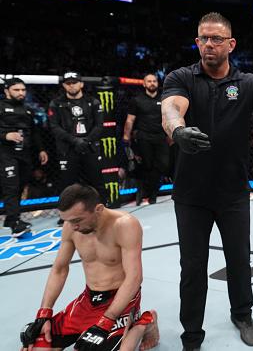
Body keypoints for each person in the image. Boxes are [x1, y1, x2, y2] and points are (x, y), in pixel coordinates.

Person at [161, 12, 253, 350]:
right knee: (192, 265)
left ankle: (242, 314)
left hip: (232, 191)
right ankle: (192, 332)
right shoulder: (181, 77)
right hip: (190, 193)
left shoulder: (247, 83)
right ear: (197, 41)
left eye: (216, 38)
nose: (209, 44)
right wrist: (178, 129)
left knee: (238, 258)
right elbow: (172, 107)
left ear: (231, 44)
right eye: (203, 38)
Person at [19, 183, 159, 351]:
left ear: (98, 209)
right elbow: (59, 269)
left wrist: (107, 320)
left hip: (120, 300)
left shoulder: (124, 225)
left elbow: (134, 278)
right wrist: (44, 313)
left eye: (77, 220)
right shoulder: (71, 227)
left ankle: (144, 321)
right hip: (88, 300)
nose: (73, 227)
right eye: (68, 221)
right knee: (34, 347)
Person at [48, 71, 107, 225]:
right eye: (68, 82)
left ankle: (103, 210)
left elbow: (99, 125)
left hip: (89, 147)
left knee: (96, 180)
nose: (71, 85)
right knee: (67, 183)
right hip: (68, 149)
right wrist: (74, 141)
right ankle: (66, 215)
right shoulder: (56, 103)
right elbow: (54, 127)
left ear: (81, 84)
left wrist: (86, 140)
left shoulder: (93, 102)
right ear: (63, 85)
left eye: (74, 82)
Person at [0, 78, 49, 237]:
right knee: (11, 186)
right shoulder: (1, 106)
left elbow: (34, 132)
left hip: (24, 153)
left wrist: (41, 149)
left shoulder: (28, 109)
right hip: (6, 153)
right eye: (16, 90)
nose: (21, 93)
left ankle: (10, 217)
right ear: (7, 91)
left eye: (23, 90)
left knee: (21, 185)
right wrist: (5, 135)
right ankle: (15, 223)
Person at [123, 73, 169, 205]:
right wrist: (126, 136)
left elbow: (169, 117)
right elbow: (130, 120)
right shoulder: (137, 100)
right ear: (144, 84)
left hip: (161, 136)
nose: (152, 83)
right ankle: (149, 194)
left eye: (154, 81)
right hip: (144, 137)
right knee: (147, 166)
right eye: (149, 81)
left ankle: (149, 191)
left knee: (163, 165)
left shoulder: (163, 98)